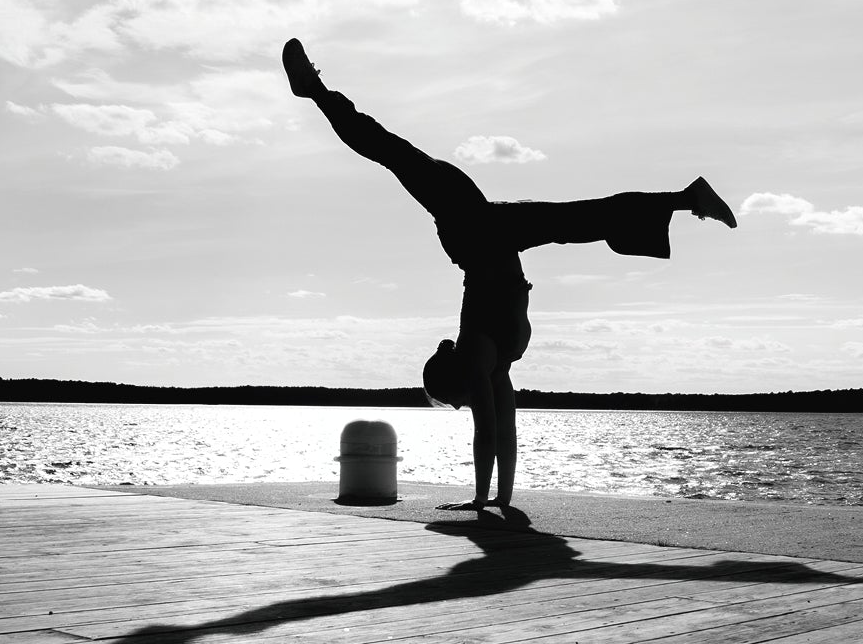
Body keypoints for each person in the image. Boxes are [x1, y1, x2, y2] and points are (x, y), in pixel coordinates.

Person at [282, 39, 736, 514]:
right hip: (484, 228)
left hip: (472, 227)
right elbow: (506, 431)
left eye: (454, 400)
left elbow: (489, 431)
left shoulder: (482, 358)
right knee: (580, 218)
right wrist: (501, 502)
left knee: (392, 152)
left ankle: (314, 90)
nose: (463, 405)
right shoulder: (493, 364)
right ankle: (687, 199)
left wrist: (480, 501)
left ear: (455, 380)